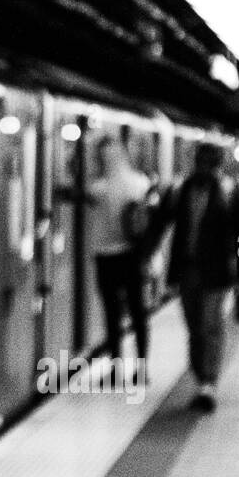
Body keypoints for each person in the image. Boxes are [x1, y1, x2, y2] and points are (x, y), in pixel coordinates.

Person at [164, 144, 239, 413]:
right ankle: (200, 377)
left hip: (217, 274)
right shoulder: (181, 190)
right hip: (188, 271)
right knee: (194, 329)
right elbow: (161, 222)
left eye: (210, 165)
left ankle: (208, 384)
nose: (205, 169)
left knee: (210, 325)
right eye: (201, 163)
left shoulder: (229, 192)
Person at [85, 136, 153, 381]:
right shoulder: (140, 183)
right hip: (133, 257)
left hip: (106, 258)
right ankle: (142, 368)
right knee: (138, 312)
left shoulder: (98, 188)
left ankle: (115, 369)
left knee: (111, 314)